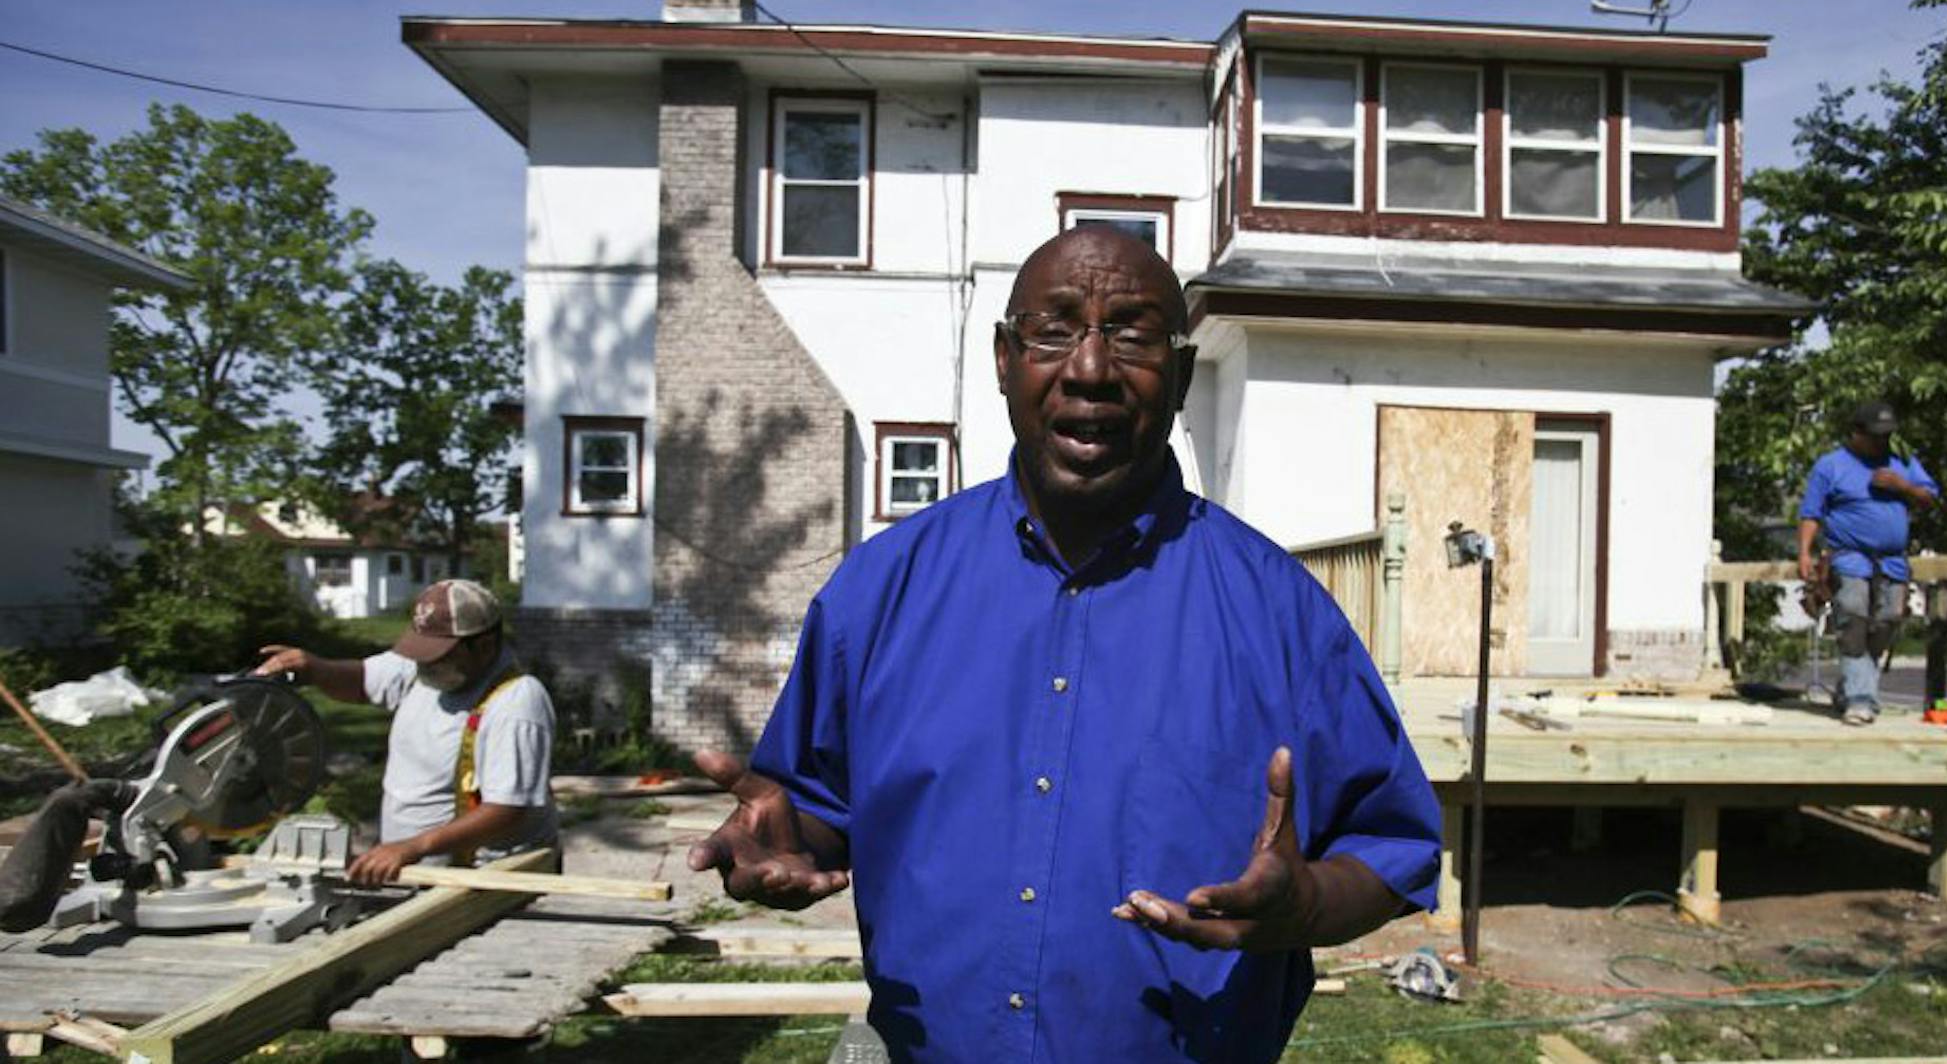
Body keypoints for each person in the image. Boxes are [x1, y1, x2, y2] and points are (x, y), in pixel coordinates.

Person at [687, 227, 1445, 1061]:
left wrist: (1307, 906)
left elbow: (1392, 847)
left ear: (1182, 374)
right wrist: (787, 844)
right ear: (1004, 359)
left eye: (1133, 335)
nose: (1089, 369)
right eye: (1052, 331)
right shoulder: (879, 592)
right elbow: (813, 809)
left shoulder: (1283, 616)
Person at [254, 579, 557, 883]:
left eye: (438, 655)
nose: (425, 663)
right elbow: (361, 681)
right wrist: (315, 669)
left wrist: (414, 847)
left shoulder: (515, 701)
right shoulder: (424, 669)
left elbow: (507, 809)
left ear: (484, 645)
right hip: (415, 869)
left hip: (484, 881)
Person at [1797, 401, 1941, 725]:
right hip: (1849, 557)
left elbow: (1930, 498)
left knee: (1886, 622)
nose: (1882, 442)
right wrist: (1804, 553)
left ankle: (1850, 688)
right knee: (1853, 620)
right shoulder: (1831, 466)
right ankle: (1860, 701)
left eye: (1886, 435)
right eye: (1875, 436)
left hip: (1892, 562)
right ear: (1856, 433)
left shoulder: (1902, 462)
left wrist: (1902, 486)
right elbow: (1811, 513)